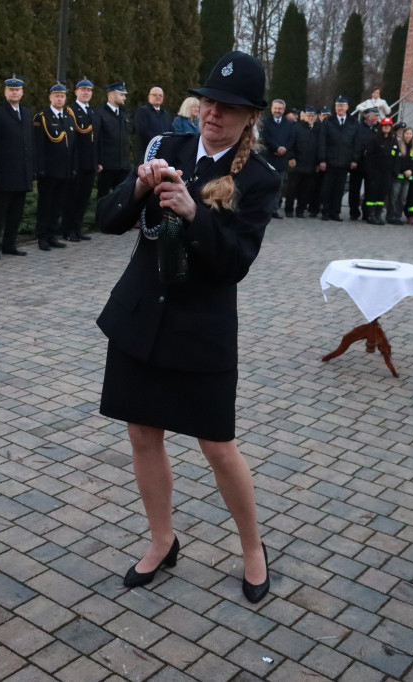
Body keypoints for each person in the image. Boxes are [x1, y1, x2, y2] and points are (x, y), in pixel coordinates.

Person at [95, 50, 277, 601]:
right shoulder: (166, 147)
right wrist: (140, 187)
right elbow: (107, 220)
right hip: (141, 318)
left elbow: (234, 264)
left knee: (218, 445)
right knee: (142, 433)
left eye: (230, 107)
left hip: (201, 328)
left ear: (252, 117)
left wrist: (196, 214)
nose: (213, 113)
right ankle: (162, 540)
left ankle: (251, 549)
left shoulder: (261, 179)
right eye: (209, 101)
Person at [0, 75, 33, 260]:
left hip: (22, 172)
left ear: (22, 92)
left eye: (17, 90)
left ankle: (9, 243)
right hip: (4, 172)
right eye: (11, 90)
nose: (14, 92)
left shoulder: (27, 113)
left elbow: (30, 144)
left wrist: (32, 169)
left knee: (16, 212)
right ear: (5, 92)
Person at [32, 83, 75, 251]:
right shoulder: (42, 117)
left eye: (62, 96)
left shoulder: (69, 118)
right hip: (48, 171)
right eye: (56, 95)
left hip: (64, 170)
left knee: (58, 205)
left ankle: (52, 235)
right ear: (50, 97)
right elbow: (38, 146)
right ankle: (42, 237)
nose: (59, 98)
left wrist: (73, 166)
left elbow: (73, 146)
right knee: (46, 205)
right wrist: (39, 168)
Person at [62, 78, 99, 243]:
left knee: (83, 199)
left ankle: (77, 228)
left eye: (89, 91)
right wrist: (74, 163)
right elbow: (72, 141)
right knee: (72, 199)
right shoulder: (71, 111)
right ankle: (68, 230)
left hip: (90, 163)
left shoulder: (91, 112)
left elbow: (95, 140)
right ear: (76, 92)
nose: (86, 93)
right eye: (83, 90)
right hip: (77, 163)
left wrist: (97, 161)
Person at [317, 95, 358, 221]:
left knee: (339, 189)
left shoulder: (353, 122)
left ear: (347, 107)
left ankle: (336, 212)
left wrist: (354, 159)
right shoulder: (328, 121)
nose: (339, 108)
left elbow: (356, 142)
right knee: (327, 188)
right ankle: (325, 211)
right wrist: (322, 159)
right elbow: (322, 141)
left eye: (342, 106)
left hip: (345, 161)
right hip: (330, 160)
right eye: (337, 106)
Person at [259, 98, 294, 219]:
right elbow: (265, 138)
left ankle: (274, 209)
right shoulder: (265, 122)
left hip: (281, 160)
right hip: (268, 158)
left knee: (278, 186)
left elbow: (291, 139)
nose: (277, 110)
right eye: (275, 108)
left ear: (283, 110)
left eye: (280, 108)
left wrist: (284, 148)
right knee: (266, 185)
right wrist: (276, 148)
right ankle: (264, 209)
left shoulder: (289, 124)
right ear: (272, 109)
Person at [285, 106, 321, 218]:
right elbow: (290, 144)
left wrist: (318, 162)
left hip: (311, 164)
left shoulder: (318, 129)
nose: (311, 117)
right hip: (296, 163)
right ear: (304, 116)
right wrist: (291, 157)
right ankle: (289, 209)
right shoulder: (296, 127)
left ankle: (300, 210)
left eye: (313, 116)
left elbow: (320, 146)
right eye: (309, 115)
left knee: (306, 190)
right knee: (292, 188)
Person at [97, 82, 132, 199]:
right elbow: (97, 139)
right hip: (107, 165)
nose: (124, 97)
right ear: (111, 96)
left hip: (123, 165)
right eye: (121, 94)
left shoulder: (124, 114)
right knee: (103, 197)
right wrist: (98, 161)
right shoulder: (100, 113)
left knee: (121, 198)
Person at [363, 117, 397, 225]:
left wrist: (394, 172)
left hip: (387, 173)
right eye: (385, 126)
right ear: (381, 126)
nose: (386, 128)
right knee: (372, 194)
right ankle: (370, 215)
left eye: (388, 126)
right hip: (375, 172)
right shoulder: (374, 139)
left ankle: (378, 214)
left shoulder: (394, 140)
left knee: (382, 194)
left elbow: (396, 157)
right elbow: (368, 157)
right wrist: (370, 172)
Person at [386, 125, 413, 225]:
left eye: (410, 134)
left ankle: (398, 216)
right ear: (403, 134)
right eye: (407, 133)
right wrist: (402, 171)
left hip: (407, 177)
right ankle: (391, 216)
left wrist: (411, 170)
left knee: (402, 199)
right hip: (398, 176)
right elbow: (397, 162)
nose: (408, 135)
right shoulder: (398, 145)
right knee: (393, 197)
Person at [133, 86, 170, 156]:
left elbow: (170, 131)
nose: (158, 97)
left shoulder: (165, 114)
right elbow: (142, 130)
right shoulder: (142, 111)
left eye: (160, 95)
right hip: (147, 151)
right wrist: (157, 142)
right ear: (149, 97)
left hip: (163, 151)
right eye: (155, 95)